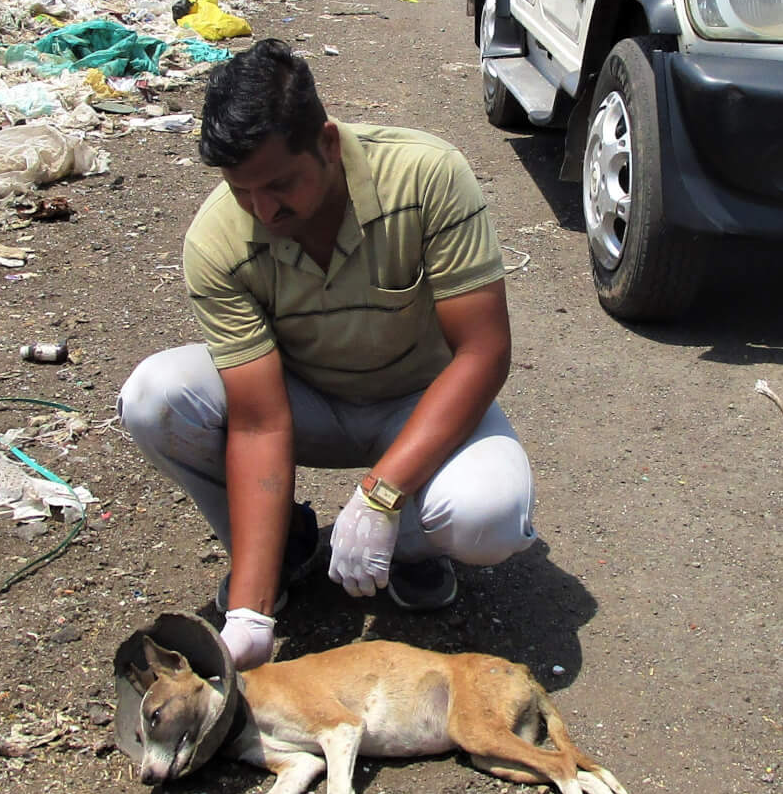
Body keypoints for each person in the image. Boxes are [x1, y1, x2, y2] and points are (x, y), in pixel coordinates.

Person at [118, 39, 535, 669]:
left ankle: (411, 551)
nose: (264, 210)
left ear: (329, 144)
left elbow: (483, 354)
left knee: (489, 516)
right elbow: (260, 419)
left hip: (422, 403)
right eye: (242, 190)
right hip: (303, 402)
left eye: (281, 184)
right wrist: (250, 618)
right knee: (155, 399)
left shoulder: (428, 177)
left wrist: (380, 496)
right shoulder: (218, 240)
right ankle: (280, 552)